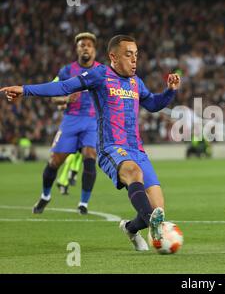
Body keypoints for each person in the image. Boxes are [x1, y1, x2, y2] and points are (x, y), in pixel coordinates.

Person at [0, 35, 181, 251]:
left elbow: (152, 104)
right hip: (112, 148)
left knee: (157, 208)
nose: (134, 60)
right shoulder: (100, 75)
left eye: (136, 55)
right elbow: (65, 87)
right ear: (113, 56)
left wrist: (170, 92)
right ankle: (155, 227)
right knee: (134, 174)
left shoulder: (136, 82)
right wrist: (26, 89)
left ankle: (131, 228)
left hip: (137, 149)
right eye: (128, 54)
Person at [32, 32, 100, 214]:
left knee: (90, 155)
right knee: (54, 161)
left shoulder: (103, 71)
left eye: (89, 45)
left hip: (92, 122)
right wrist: (66, 99)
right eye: (82, 45)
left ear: (94, 50)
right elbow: (53, 96)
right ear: (77, 49)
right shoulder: (66, 71)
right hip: (71, 120)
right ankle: (45, 195)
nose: (85, 47)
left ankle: (83, 204)